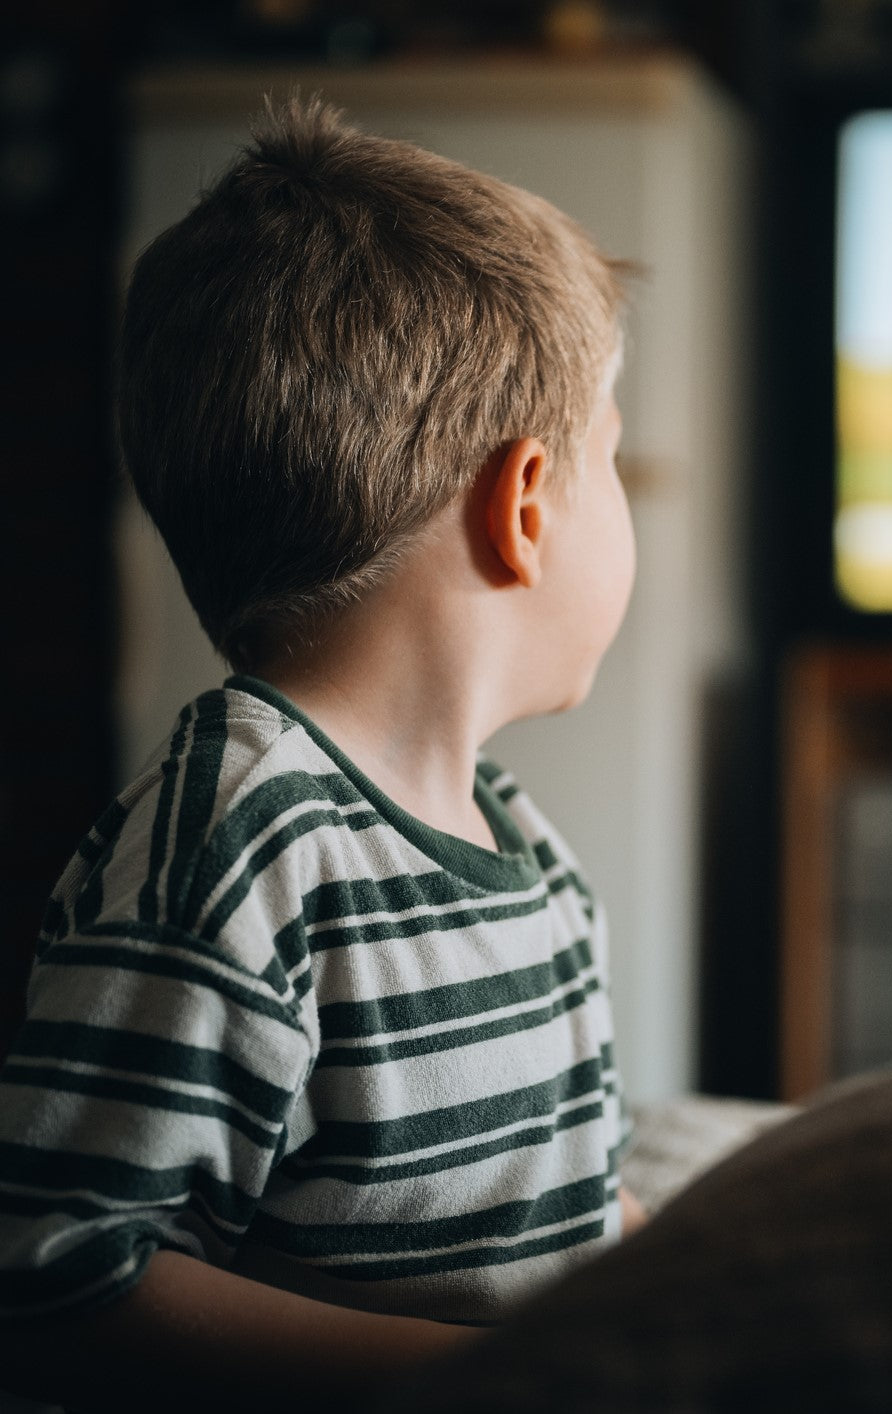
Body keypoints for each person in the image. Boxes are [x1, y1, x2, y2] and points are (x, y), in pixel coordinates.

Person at [0, 97, 646, 1411]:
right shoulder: (235, 844)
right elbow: (56, 1272)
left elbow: (574, 1197)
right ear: (523, 507)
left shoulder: (523, 848)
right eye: (616, 458)